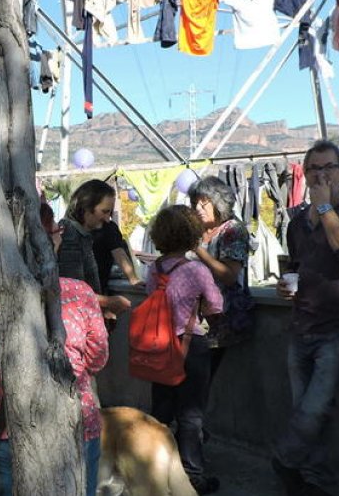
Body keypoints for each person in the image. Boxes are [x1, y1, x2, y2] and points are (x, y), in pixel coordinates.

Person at [273, 139, 339, 496]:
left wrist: (324, 206)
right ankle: (311, 481)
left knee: (314, 410)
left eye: (328, 168)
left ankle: (285, 460)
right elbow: (297, 267)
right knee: (306, 409)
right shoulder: (298, 221)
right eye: (313, 169)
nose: (320, 175)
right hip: (302, 323)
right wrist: (285, 288)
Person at [0, 277, 108, 496]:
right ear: (55, 242)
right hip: (75, 424)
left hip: (7, 425)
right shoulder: (80, 291)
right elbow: (98, 358)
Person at [145, 205, 224, 494]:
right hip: (191, 345)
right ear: (192, 235)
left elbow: (150, 297)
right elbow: (216, 305)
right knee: (191, 415)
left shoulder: (153, 268)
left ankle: (154, 468)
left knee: (161, 411)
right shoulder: (196, 269)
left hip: (159, 346)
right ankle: (192, 476)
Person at [188, 176, 255, 380]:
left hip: (220, 320)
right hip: (193, 319)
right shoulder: (198, 232)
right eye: (195, 203)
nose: (198, 207)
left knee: (200, 379)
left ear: (219, 202)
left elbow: (229, 276)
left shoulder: (232, 230)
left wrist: (199, 251)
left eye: (204, 202)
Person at [57, 179, 132, 318]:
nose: (107, 219)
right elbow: (72, 289)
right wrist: (108, 302)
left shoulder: (82, 235)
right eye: (104, 212)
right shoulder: (70, 235)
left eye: (109, 213)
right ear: (86, 207)